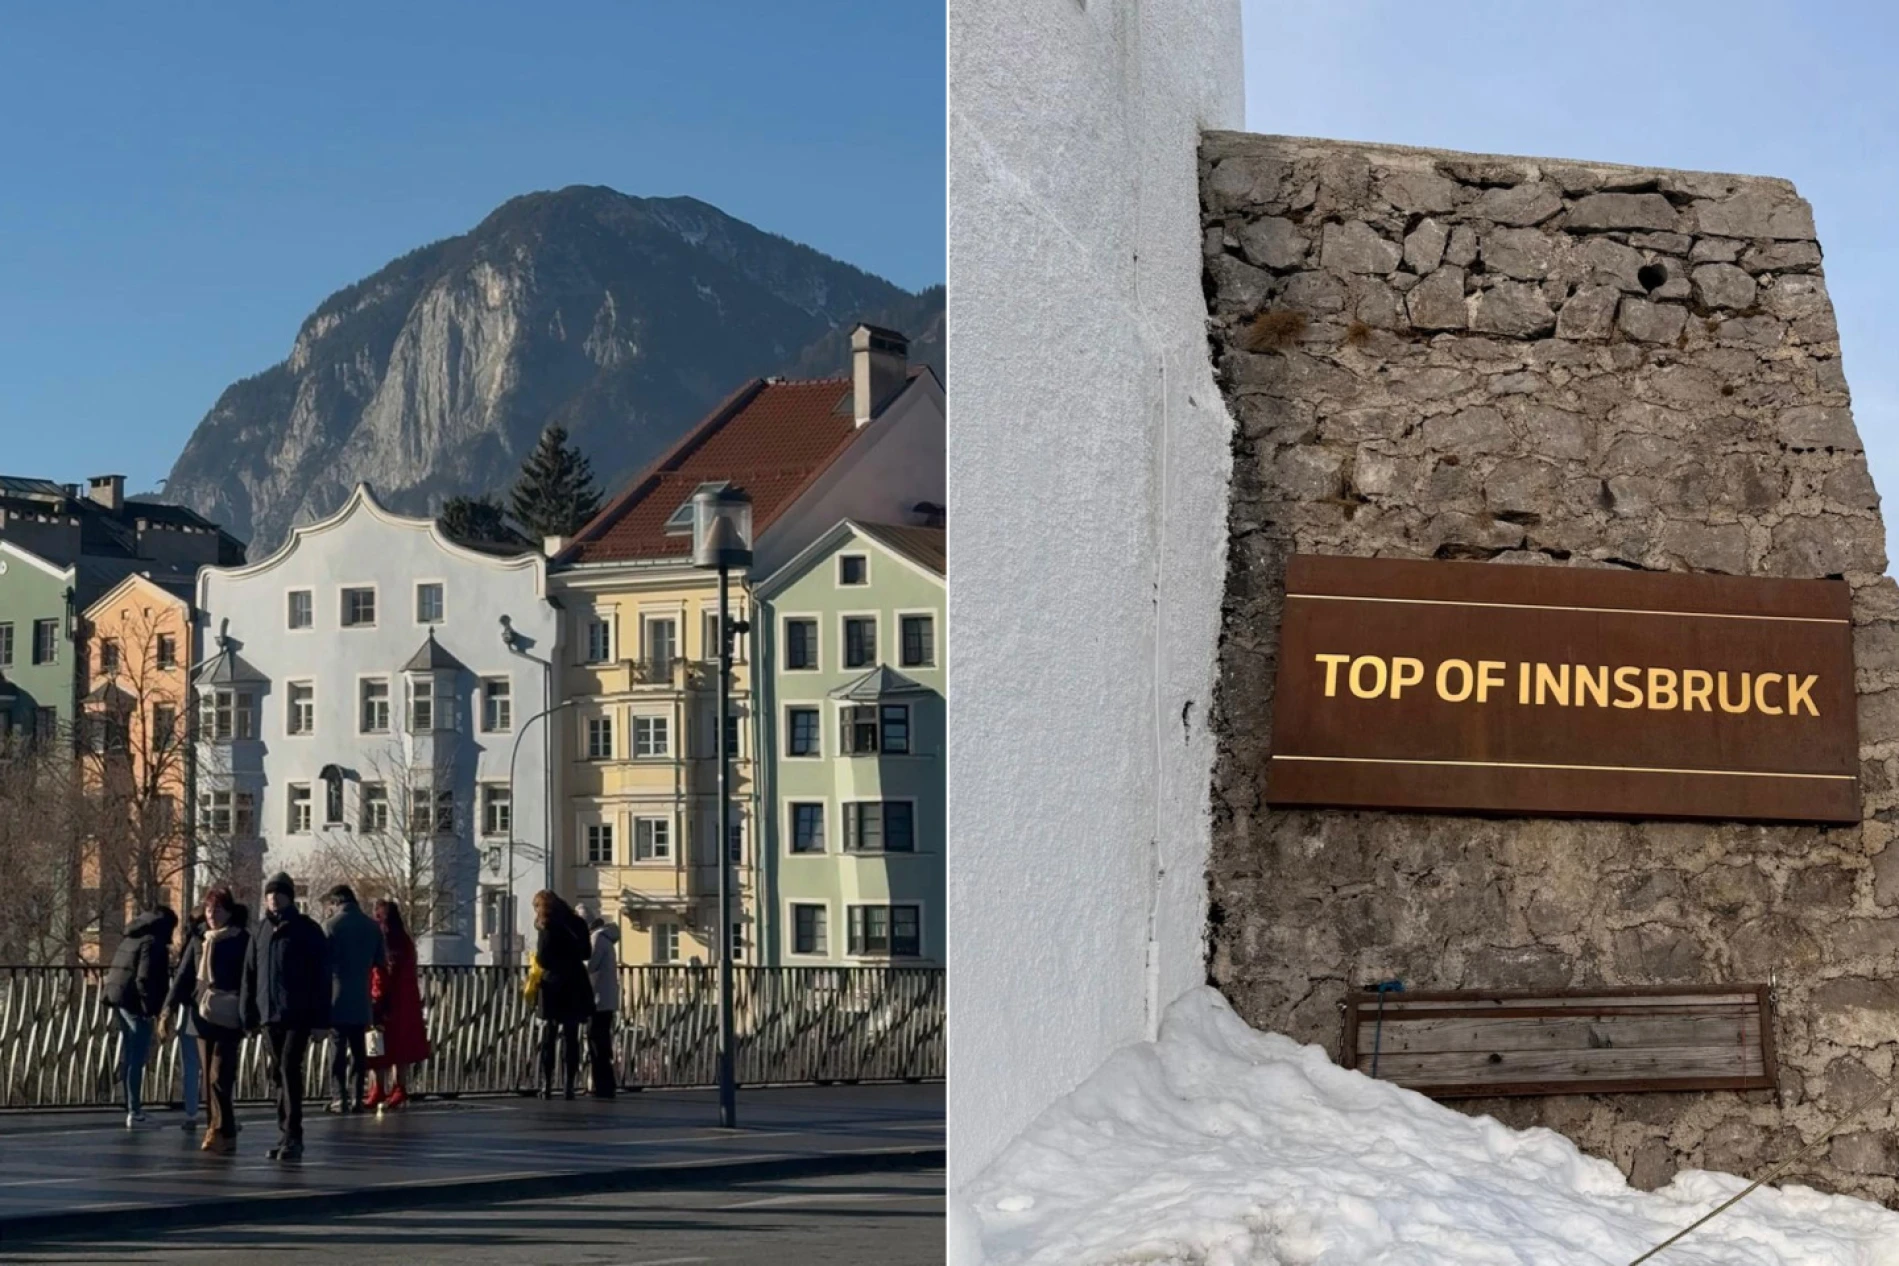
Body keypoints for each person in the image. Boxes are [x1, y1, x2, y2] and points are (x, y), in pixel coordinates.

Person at [241, 872, 330, 1160]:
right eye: (269, 895)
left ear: (289, 897)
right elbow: (250, 974)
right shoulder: (260, 930)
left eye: (278, 894)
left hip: (298, 1012)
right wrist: (248, 1014)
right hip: (269, 1014)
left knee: (290, 1069)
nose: (273, 899)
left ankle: (293, 1135)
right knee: (278, 1073)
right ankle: (284, 1134)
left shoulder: (306, 929)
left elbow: (321, 977)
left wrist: (320, 1021)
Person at [102, 903, 177, 1128]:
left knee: (130, 1053)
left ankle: (131, 1106)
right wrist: (149, 1008)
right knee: (138, 1056)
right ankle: (135, 1111)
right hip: (135, 1003)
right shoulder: (152, 943)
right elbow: (144, 977)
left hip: (118, 998)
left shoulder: (133, 935)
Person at [189, 890, 250, 1154]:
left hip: (230, 1012)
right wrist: (168, 1008)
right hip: (203, 1013)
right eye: (209, 910)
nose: (212, 916)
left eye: (218, 911)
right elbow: (183, 973)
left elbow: (249, 978)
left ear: (229, 912)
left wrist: (250, 1014)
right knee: (207, 1077)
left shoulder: (242, 940)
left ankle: (223, 1128)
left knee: (219, 1075)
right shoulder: (200, 938)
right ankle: (215, 1126)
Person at [321, 884, 386, 1114]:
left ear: (336, 902)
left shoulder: (330, 926)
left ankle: (340, 1098)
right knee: (359, 1052)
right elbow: (381, 961)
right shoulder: (372, 927)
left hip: (337, 997)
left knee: (337, 1050)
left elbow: (322, 963)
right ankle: (359, 1096)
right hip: (361, 997)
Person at [366, 899, 431, 1108]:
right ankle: (399, 1088)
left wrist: (376, 998)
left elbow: (380, 973)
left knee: (377, 1046)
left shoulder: (382, 940)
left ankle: (378, 1089)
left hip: (385, 1003)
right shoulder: (405, 940)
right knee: (400, 1048)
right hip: (405, 1002)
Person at [531, 890, 594, 1101]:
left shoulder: (548, 925)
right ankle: (569, 1085)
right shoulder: (578, 923)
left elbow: (542, 958)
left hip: (553, 984)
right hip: (576, 981)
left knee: (549, 1035)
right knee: (572, 1036)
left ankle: (546, 1084)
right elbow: (587, 953)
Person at [160, 909, 208, 1133]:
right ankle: (219, 1111)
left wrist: (167, 1009)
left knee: (191, 1064)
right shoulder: (235, 936)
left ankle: (191, 1113)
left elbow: (181, 977)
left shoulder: (195, 942)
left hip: (193, 1009)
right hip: (221, 1009)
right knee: (217, 1064)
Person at [578, 902, 620, 1098]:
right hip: (606, 997)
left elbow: (589, 965)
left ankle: (601, 1085)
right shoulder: (606, 938)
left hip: (598, 999)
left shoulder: (596, 939)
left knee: (596, 1042)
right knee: (602, 1042)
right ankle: (604, 1083)